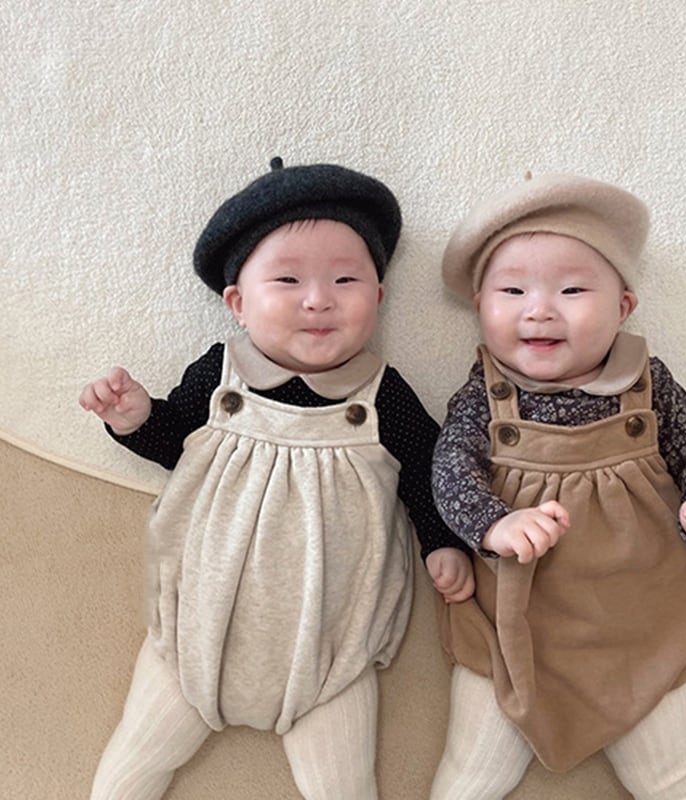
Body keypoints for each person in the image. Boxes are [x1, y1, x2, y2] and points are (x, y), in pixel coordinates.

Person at [79, 157, 474, 800]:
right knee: (135, 760)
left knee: (345, 786)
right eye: (288, 280)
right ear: (237, 303)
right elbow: (179, 447)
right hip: (196, 635)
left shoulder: (383, 397)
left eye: (345, 279)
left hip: (328, 652)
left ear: (378, 296)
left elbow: (429, 474)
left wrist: (442, 543)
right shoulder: (219, 377)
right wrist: (136, 418)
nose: (318, 299)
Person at [428, 172, 686, 800]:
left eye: (572, 290)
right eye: (512, 290)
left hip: (635, 625)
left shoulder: (646, 383)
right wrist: (493, 524)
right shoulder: (485, 395)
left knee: (669, 774)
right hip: (512, 628)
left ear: (623, 307)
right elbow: (450, 467)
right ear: (481, 304)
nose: (540, 309)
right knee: (470, 773)